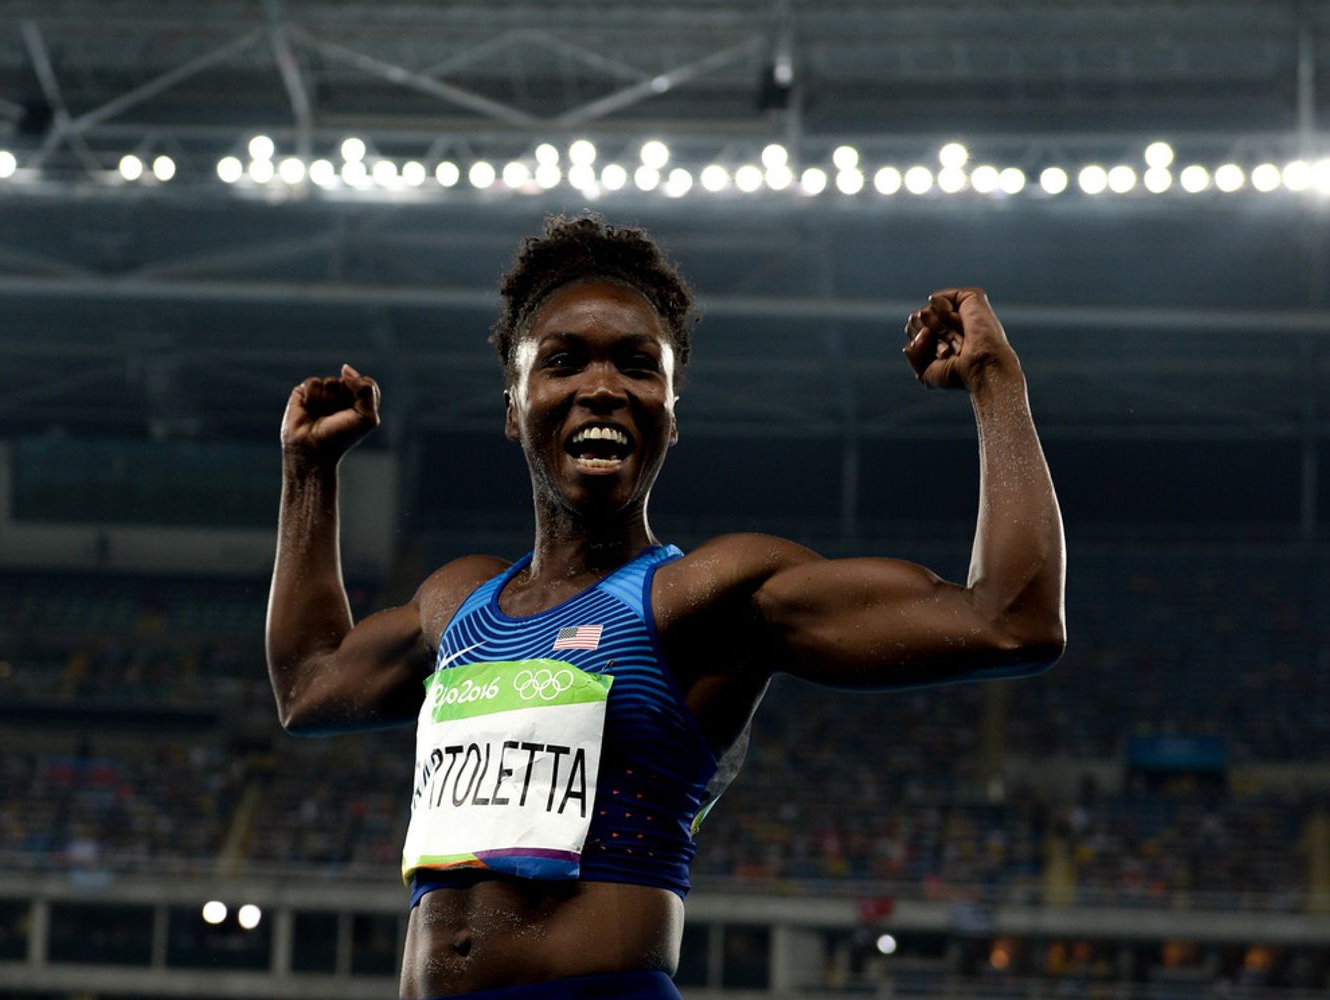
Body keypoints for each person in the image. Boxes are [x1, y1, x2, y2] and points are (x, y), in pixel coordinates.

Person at [266, 214, 1065, 999]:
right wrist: (309, 471)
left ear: (672, 415)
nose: (604, 387)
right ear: (514, 408)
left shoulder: (709, 598)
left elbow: (1010, 621)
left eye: (640, 367)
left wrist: (997, 382)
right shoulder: (457, 603)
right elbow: (308, 684)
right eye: (565, 361)